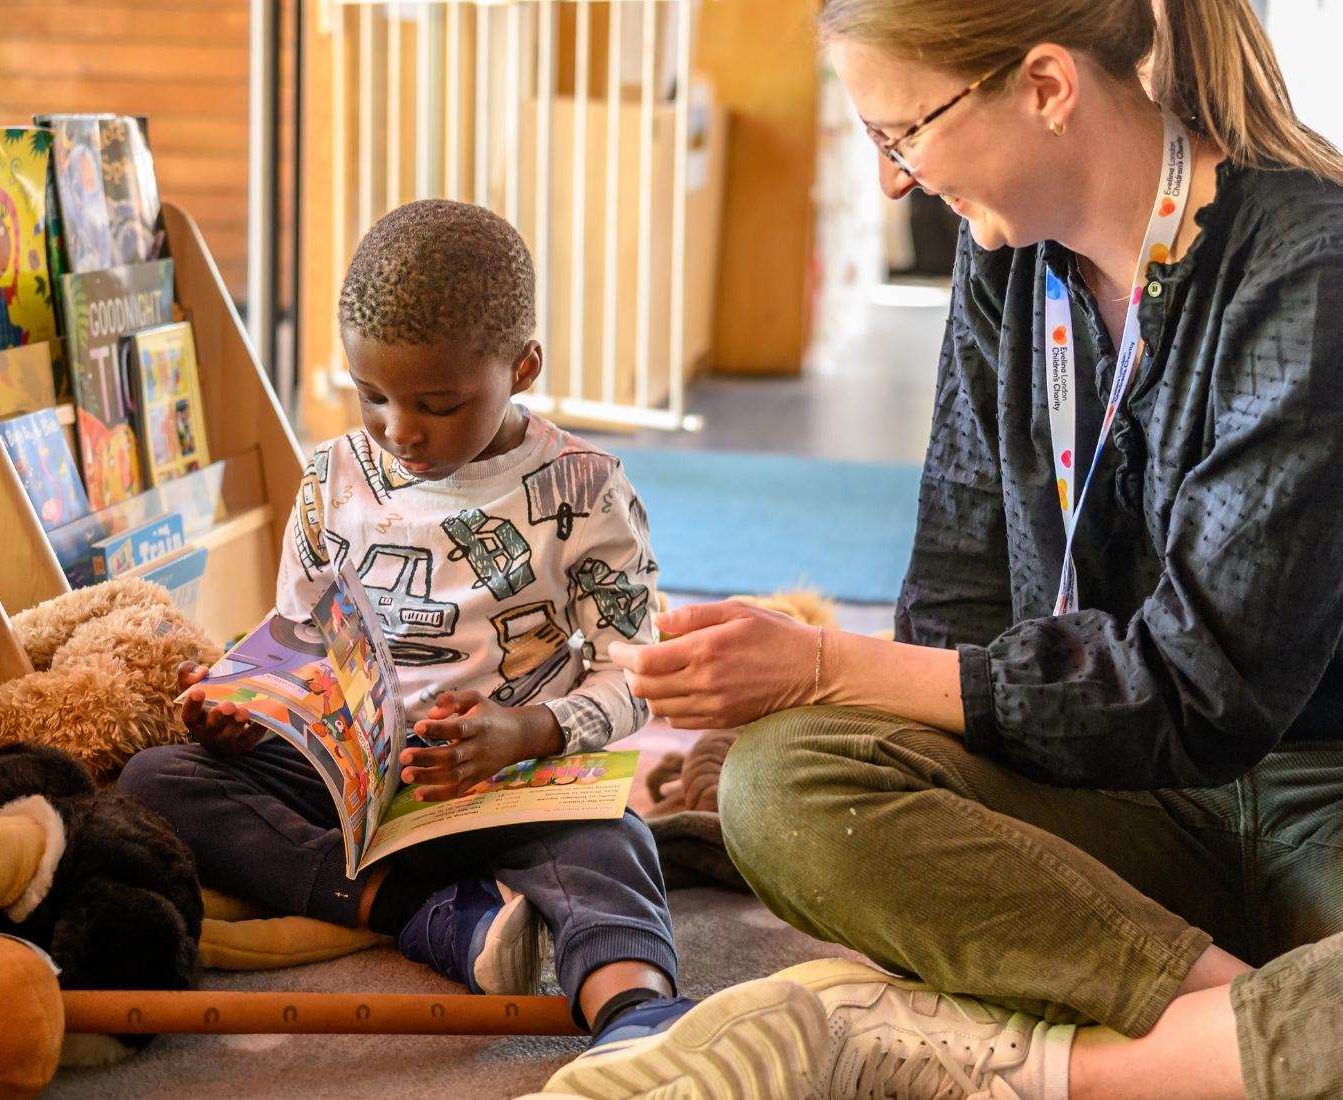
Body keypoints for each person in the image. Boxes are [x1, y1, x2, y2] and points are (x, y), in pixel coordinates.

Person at [553, 1, 1343, 1098]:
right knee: (781, 782)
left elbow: (1204, 691)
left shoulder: (1333, 272)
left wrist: (821, 664)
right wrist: (815, 714)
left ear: (1046, 87)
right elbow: (956, 601)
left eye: (901, 131)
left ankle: (1078, 1068)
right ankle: (1290, 1027)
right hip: (1122, 784)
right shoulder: (1006, 257)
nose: (892, 180)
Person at [117, 199, 819, 1065]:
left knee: (613, 840)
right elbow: (300, 639)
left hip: (515, 781)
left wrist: (522, 730)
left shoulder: (584, 490)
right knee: (157, 778)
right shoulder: (331, 479)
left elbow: (634, 674)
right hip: (355, 789)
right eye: (371, 396)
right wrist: (246, 712)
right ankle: (421, 913)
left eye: (439, 403)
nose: (400, 431)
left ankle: (633, 1016)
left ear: (522, 367)